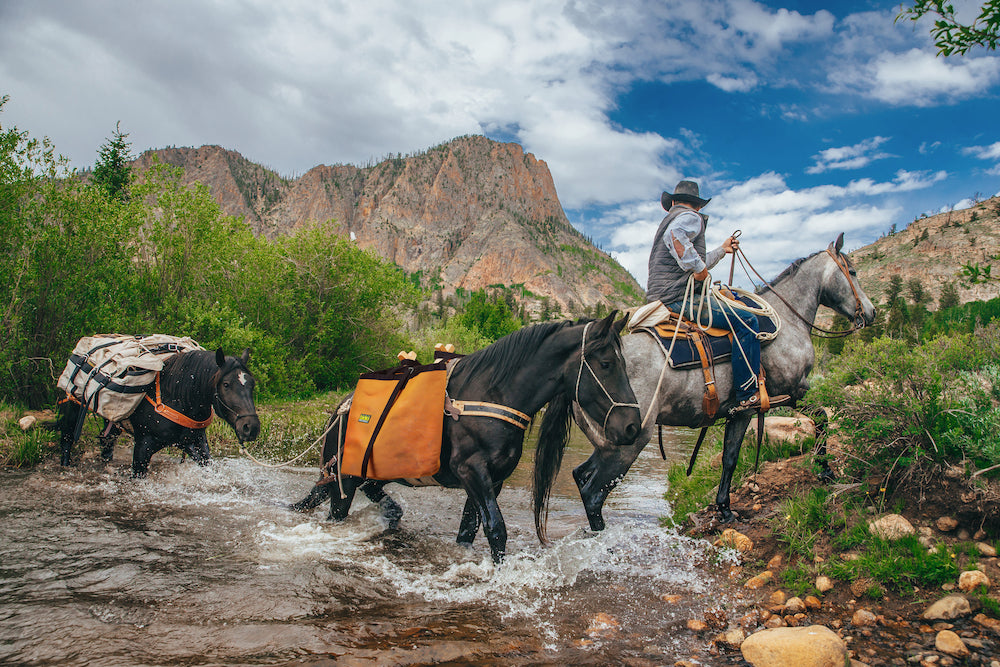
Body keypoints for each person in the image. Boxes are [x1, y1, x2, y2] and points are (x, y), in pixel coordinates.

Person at [646, 180, 771, 414]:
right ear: (698, 206)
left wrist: (722, 250)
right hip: (678, 297)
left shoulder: (670, 219)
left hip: (661, 296)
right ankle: (746, 394)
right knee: (747, 321)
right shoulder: (689, 218)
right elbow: (677, 237)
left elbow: (690, 255)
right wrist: (699, 270)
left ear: (672, 202)